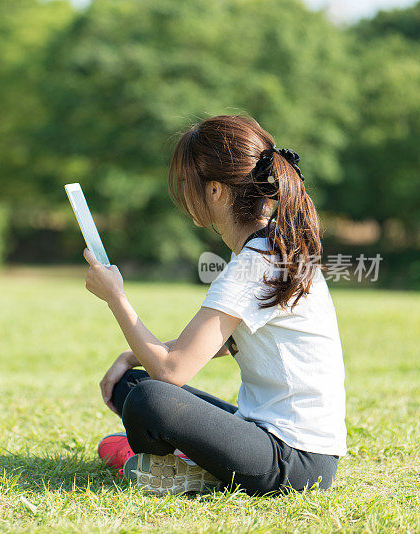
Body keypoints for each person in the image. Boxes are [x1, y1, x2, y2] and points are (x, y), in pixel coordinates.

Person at [85, 115, 346, 496]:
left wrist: (116, 298)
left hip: (294, 459)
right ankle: (190, 463)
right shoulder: (275, 247)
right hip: (282, 443)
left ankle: (187, 468)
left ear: (216, 191)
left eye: (189, 183)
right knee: (134, 383)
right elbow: (231, 340)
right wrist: (133, 356)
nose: (184, 193)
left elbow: (172, 372)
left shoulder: (255, 264)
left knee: (149, 397)